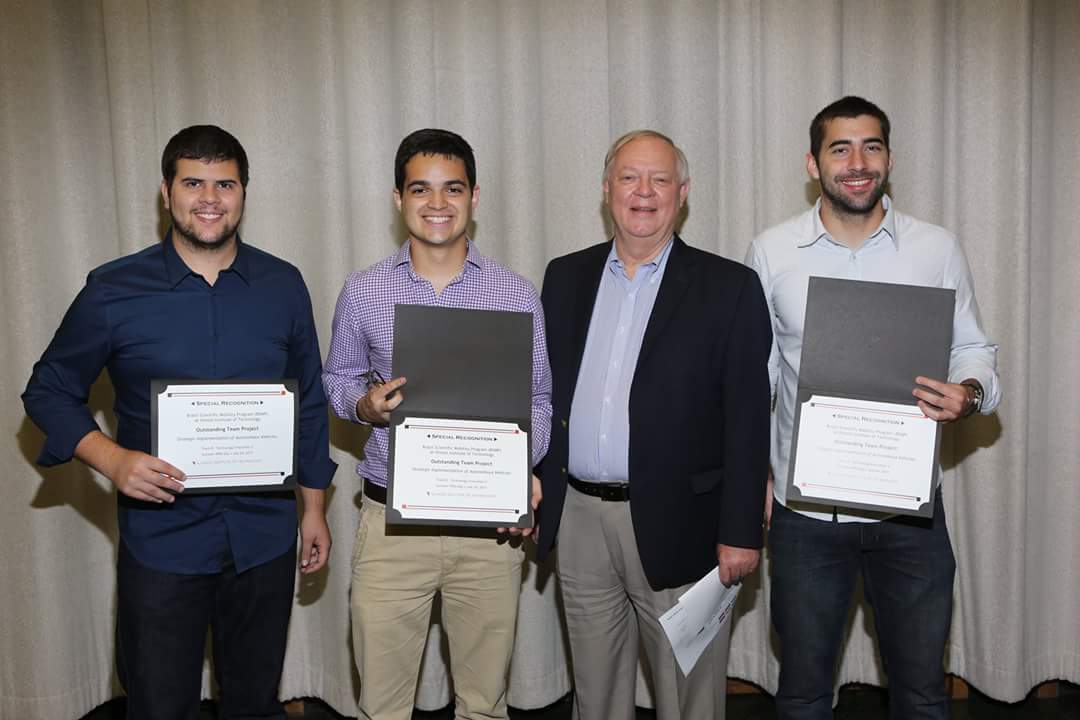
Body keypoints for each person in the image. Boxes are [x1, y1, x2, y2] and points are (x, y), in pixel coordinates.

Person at [22, 125, 336, 719]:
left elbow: (311, 403)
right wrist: (111, 458)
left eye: (225, 183)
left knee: (252, 703)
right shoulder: (114, 289)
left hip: (263, 539)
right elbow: (48, 390)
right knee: (159, 705)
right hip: (162, 543)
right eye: (193, 182)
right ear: (166, 193)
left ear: (244, 192)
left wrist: (314, 508)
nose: (209, 197)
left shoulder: (283, 285)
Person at [746, 95, 1002, 719]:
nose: (857, 163)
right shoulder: (772, 251)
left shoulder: (936, 248)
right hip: (807, 518)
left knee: (920, 693)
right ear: (813, 163)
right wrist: (753, 477)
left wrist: (967, 393)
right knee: (803, 693)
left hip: (909, 517)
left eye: (872, 146)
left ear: (889, 158)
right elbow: (760, 377)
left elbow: (973, 348)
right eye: (840, 148)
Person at [535, 130, 772, 720]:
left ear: (682, 193)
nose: (644, 192)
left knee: (687, 696)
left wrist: (741, 528)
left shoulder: (729, 287)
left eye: (660, 179)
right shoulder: (564, 278)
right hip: (580, 521)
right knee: (595, 693)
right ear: (606, 190)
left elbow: (748, 416)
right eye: (629, 178)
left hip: (682, 523)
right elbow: (544, 393)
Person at [321, 128, 552, 720]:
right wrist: (364, 405)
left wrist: (520, 467)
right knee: (384, 705)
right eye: (420, 189)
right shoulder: (364, 289)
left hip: (488, 528)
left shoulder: (516, 294)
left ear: (475, 196)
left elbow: (541, 399)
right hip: (392, 526)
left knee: (483, 703)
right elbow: (337, 379)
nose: (437, 203)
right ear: (398, 199)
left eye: (453, 188)